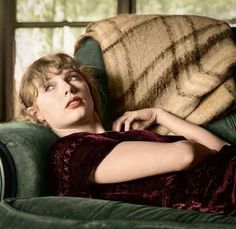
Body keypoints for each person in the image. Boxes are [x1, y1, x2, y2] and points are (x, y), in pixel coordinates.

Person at [18, 53, 236, 216]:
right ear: (36, 114)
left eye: (73, 77)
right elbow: (184, 155)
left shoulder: (124, 136)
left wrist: (159, 115)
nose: (67, 88)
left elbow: (225, 149)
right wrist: (197, 149)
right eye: (49, 87)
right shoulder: (68, 153)